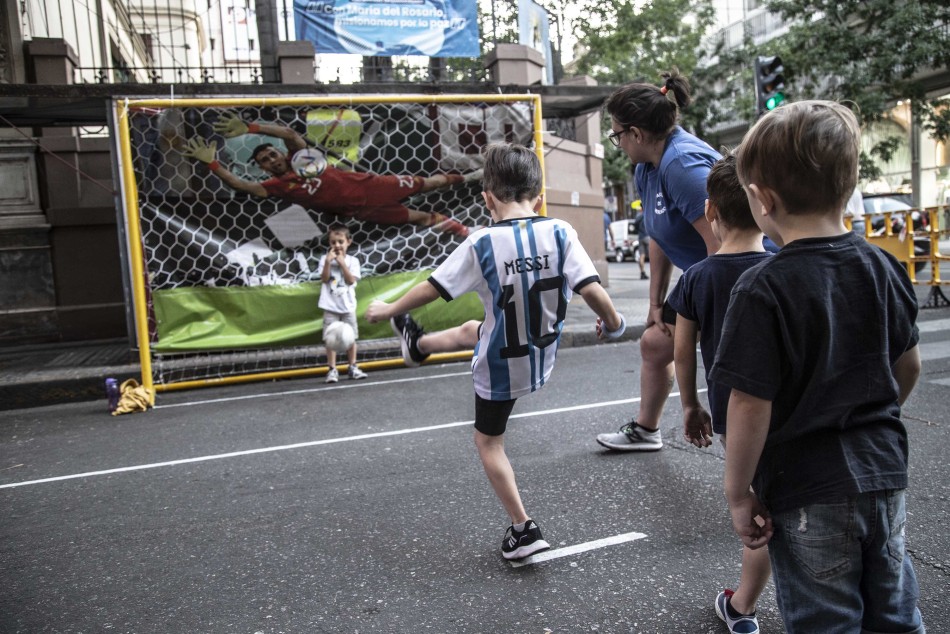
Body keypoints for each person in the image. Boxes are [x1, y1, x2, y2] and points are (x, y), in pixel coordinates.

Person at [711, 100, 924, 633]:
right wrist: (868, 416)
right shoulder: (883, 265)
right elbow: (910, 365)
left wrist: (739, 493)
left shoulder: (763, 287)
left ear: (762, 200)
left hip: (807, 487)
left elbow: (748, 402)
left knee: (826, 621)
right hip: (884, 473)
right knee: (895, 612)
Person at [365, 143, 627, 560]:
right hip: (540, 357)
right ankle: (418, 345)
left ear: (487, 198)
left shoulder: (482, 243)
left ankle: (524, 530)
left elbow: (432, 289)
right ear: (539, 196)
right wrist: (614, 326)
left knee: (488, 442)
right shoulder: (560, 231)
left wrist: (389, 309)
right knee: (479, 326)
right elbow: (591, 290)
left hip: (502, 367)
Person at [666, 152, 773, 634]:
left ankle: (744, 609)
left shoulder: (696, 278)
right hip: (786, 408)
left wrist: (691, 404)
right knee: (780, 502)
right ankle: (745, 603)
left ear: (710, 211)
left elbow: (683, 352)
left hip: (733, 414)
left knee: (756, 509)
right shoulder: (780, 268)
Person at [595, 70, 722, 452]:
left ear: (636, 133)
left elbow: (723, 243)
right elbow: (660, 234)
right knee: (656, 341)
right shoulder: (647, 168)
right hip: (705, 274)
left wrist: (709, 315)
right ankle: (647, 431)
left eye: (616, 134)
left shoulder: (682, 166)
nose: (616, 142)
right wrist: (656, 303)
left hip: (737, 274)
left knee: (731, 377)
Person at [181, 112, 482, 237]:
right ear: (262, 167)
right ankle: (468, 235)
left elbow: (288, 132)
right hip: (363, 210)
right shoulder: (277, 186)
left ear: (279, 153)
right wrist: (212, 164)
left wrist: (250, 128)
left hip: (374, 187)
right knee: (423, 218)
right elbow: (242, 186)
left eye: (271, 153)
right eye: (264, 160)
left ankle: (472, 177)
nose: (271, 160)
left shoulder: (301, 159)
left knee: (429, 185)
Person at [317, 223, 368, 382]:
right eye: (333, 242)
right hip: (330, 306)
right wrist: (328, 262)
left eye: (340, 242)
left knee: (350, 337)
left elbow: (351, 280)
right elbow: (324, 279)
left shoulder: (353, 261)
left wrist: (342, 263)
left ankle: (352, 366)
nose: (337, 245)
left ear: (348, 242)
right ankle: (332, 369)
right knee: (330, 338)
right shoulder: (324, 260)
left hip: (348, 307)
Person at [631, 200, 650, 280]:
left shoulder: (638, 216)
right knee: (652, 256)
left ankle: (642, 273)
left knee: (641, 256)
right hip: (648, 236)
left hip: (641, 237)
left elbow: (634, 227)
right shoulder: (648, 214)